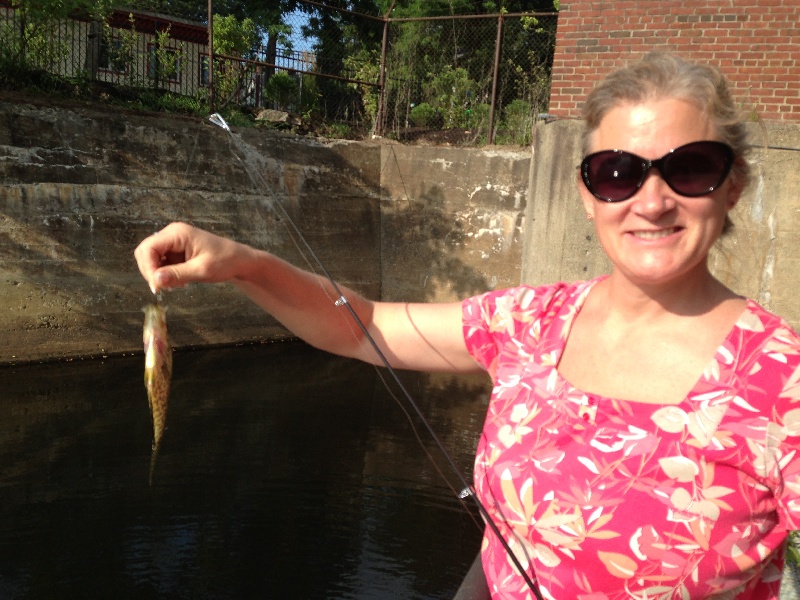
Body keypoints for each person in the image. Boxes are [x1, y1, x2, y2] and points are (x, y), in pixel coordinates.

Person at [134, 52, 800, 600]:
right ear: (588, 193)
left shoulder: (784, 381)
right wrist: (242, 264)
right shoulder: (532, 320)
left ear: (733, 183)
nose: (651, 201)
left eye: (689, 169)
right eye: (618, 172)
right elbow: (359, 325)